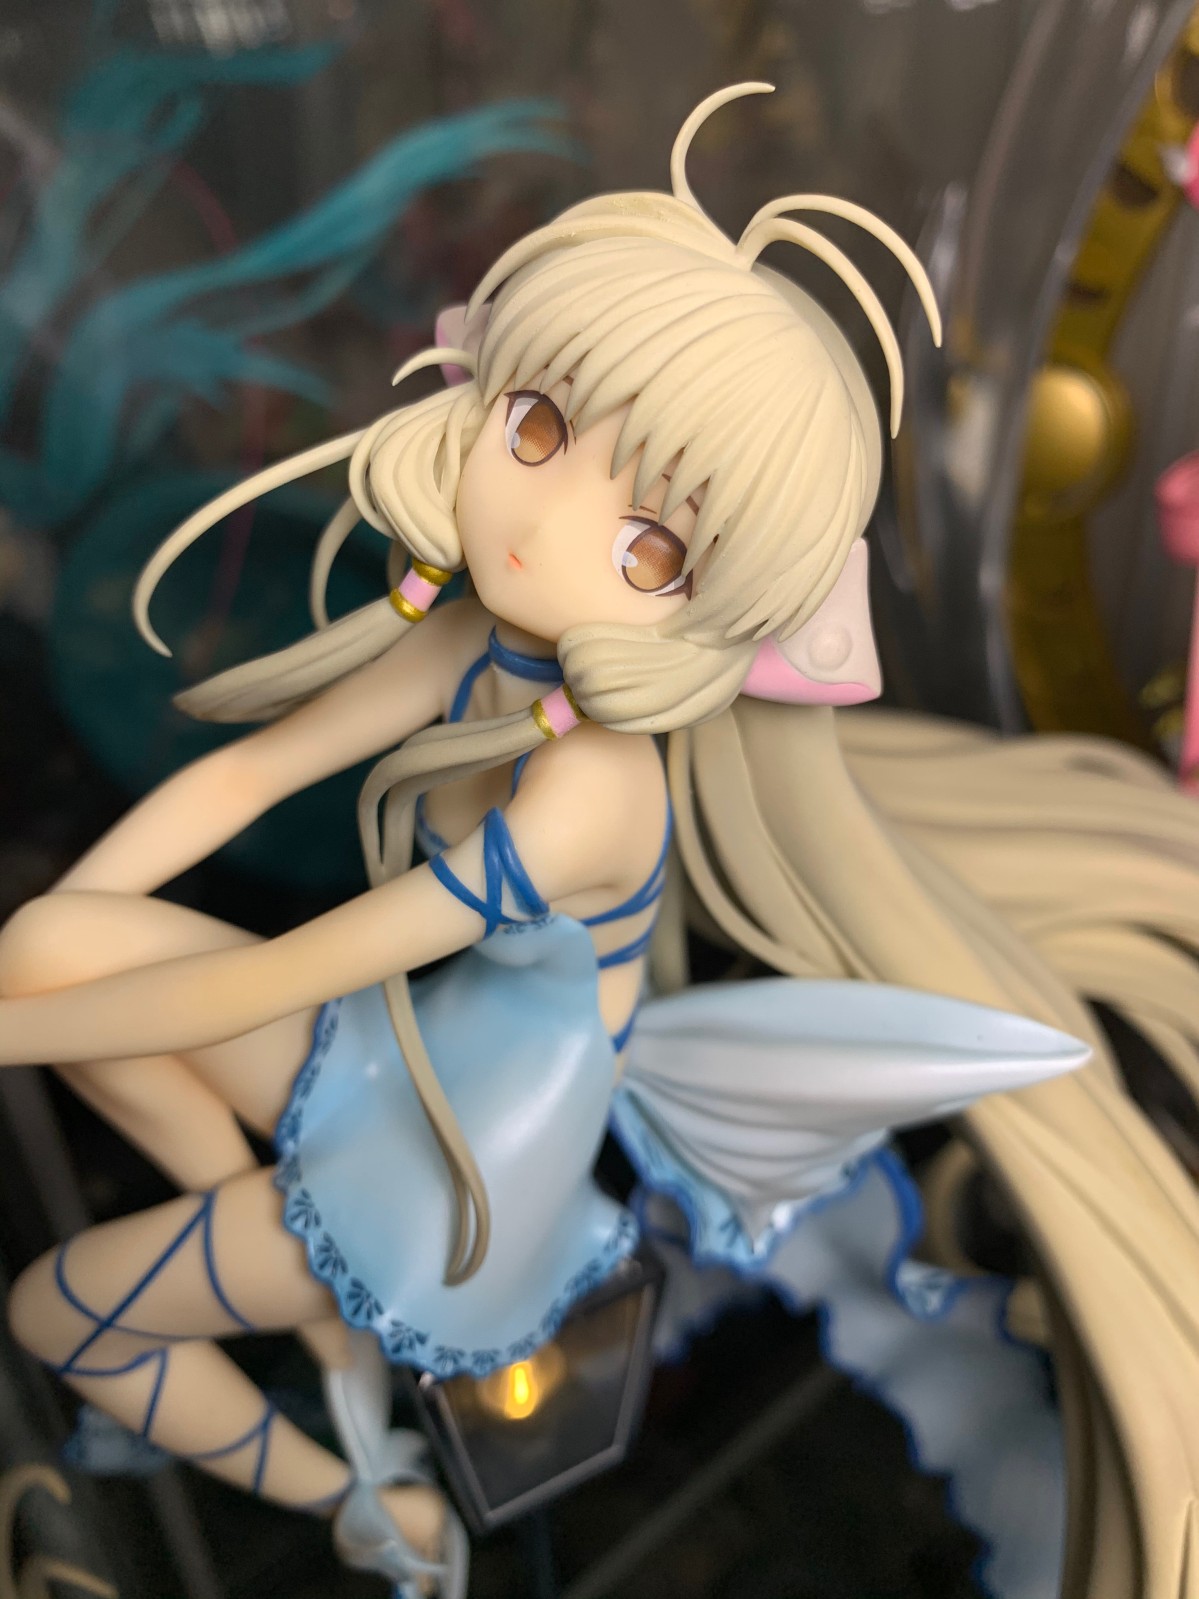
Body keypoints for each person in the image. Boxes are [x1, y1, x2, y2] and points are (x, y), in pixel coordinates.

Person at [0, 83, 1195, 1599]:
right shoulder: (479, 638)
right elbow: (250, 774)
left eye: (650, 545)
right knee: (50, 941)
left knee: (61, 1312)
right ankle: (314, 1336)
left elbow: (293, 967)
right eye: (540, 425)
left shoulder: (592, 796)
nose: (540, 520)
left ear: (716, 609)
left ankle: (369, 1504)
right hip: (405, 1060)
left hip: (458, 1175)